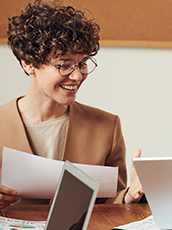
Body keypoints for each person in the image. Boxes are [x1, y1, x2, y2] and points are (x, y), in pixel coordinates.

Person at [0, 0, 144, 209]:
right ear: (28, 62)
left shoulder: (107, 127)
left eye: (82, 63)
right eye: (64, 64)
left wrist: (130, 195)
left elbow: (111, 204)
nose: (77, 76)